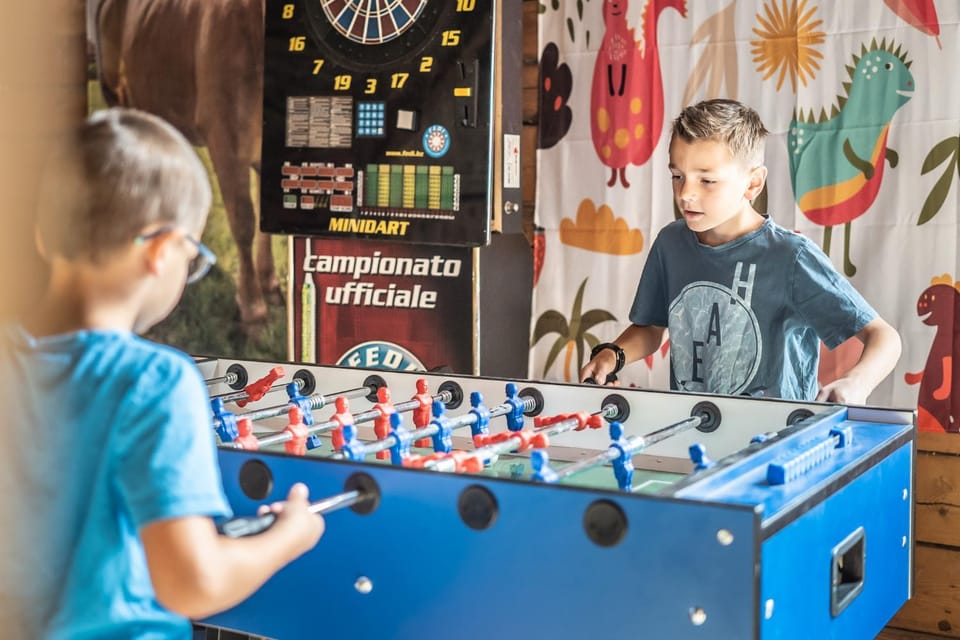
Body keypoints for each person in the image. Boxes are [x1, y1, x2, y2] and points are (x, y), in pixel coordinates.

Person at [0, 108, 323, 639]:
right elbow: (191, 583)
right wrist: (290, 536)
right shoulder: (154, 382)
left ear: (42, 236)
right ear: (162, 251)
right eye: (192, 256)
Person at [580, 99, 901, 404]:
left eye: (707, 180)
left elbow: (883, 337)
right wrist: (613, 355)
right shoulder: (670, 244)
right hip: (696, 433)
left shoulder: (792, 257)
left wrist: (856, 382)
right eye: (677, 176)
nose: (686, 194)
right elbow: (651, 327)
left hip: (779, 440)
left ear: (752, 184)